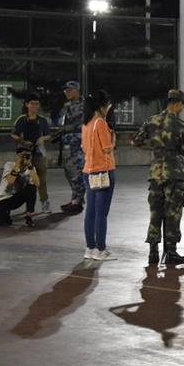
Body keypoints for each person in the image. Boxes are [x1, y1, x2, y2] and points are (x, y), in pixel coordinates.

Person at [133, 89, 184, 265]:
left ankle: (153, 252)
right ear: (177, 103)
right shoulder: (182, 126)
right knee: (173, 212)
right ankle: (171, 252)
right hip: (174, 173)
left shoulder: (150, 121)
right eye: (182, 105)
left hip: (155, 173)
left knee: (155, 212)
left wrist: (155, 147)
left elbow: (136, 141)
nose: (181, 109)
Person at [81, 90, 116, 261]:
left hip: (88, 171)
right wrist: (113, 137)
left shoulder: (86, 124)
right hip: (103, 171)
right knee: (101, 213)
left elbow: (83, 147)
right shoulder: (100, 123)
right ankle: (101, 250)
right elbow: (107, 148)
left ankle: (90, 248)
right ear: (102, 106)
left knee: (91, 212)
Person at [11, 93, 52, 214]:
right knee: (24, 180)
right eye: (32, 103)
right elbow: (13, 134)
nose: (34, 106)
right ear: (27, 105)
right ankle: (25, 205)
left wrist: (42, 139)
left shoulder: (42, 120)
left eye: (37, 104)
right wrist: (23, 141)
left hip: (39, 154)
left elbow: (48, 135)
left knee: (41, 180)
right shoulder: (21, 119)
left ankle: (45, 202)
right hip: (25, 154)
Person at [0, 147, 40, 227]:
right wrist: (18, 163)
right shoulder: (9, 165)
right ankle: (5, 213)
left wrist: (30, 167)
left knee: (31, 188)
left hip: (16, 198)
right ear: (17, 156)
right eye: (23, 156)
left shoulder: (31, 168)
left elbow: (37, 184)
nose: (25, 158)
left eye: (28, 156)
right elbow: (10, 181)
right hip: (3, 199)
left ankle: (29, 215)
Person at [59, 81, 86, 214]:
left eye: (70, 90)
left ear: (77, 91)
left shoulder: (84, 106)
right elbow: (61, 122)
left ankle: (78, 202)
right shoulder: (66, 106)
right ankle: (75, 198)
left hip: (77, 144)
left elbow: (83, 124)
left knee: (77, 173)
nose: (67, 92)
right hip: (67, 144)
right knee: (69, 172)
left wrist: (67, 129)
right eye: (66, 90)